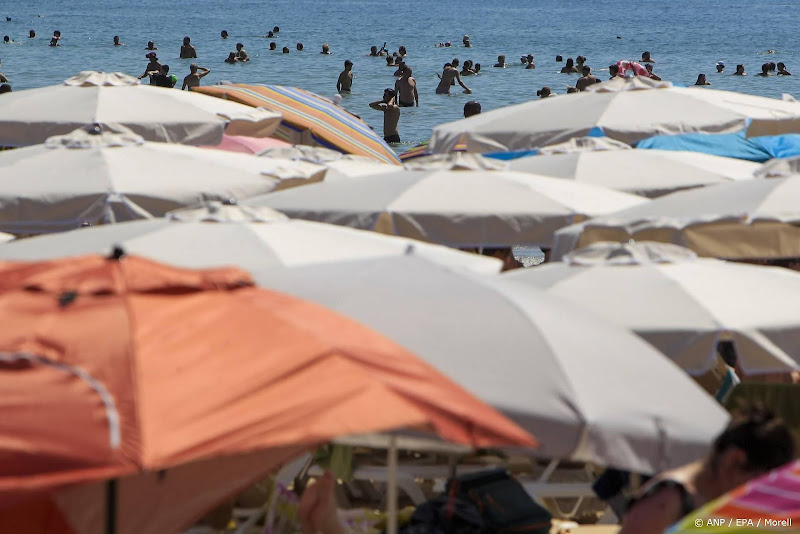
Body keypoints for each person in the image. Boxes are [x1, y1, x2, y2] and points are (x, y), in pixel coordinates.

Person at [619, 407, 794, 534]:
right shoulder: (667, 500)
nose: (758, 494)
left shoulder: (720, 501)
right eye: (759, 483)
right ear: (735, 459)